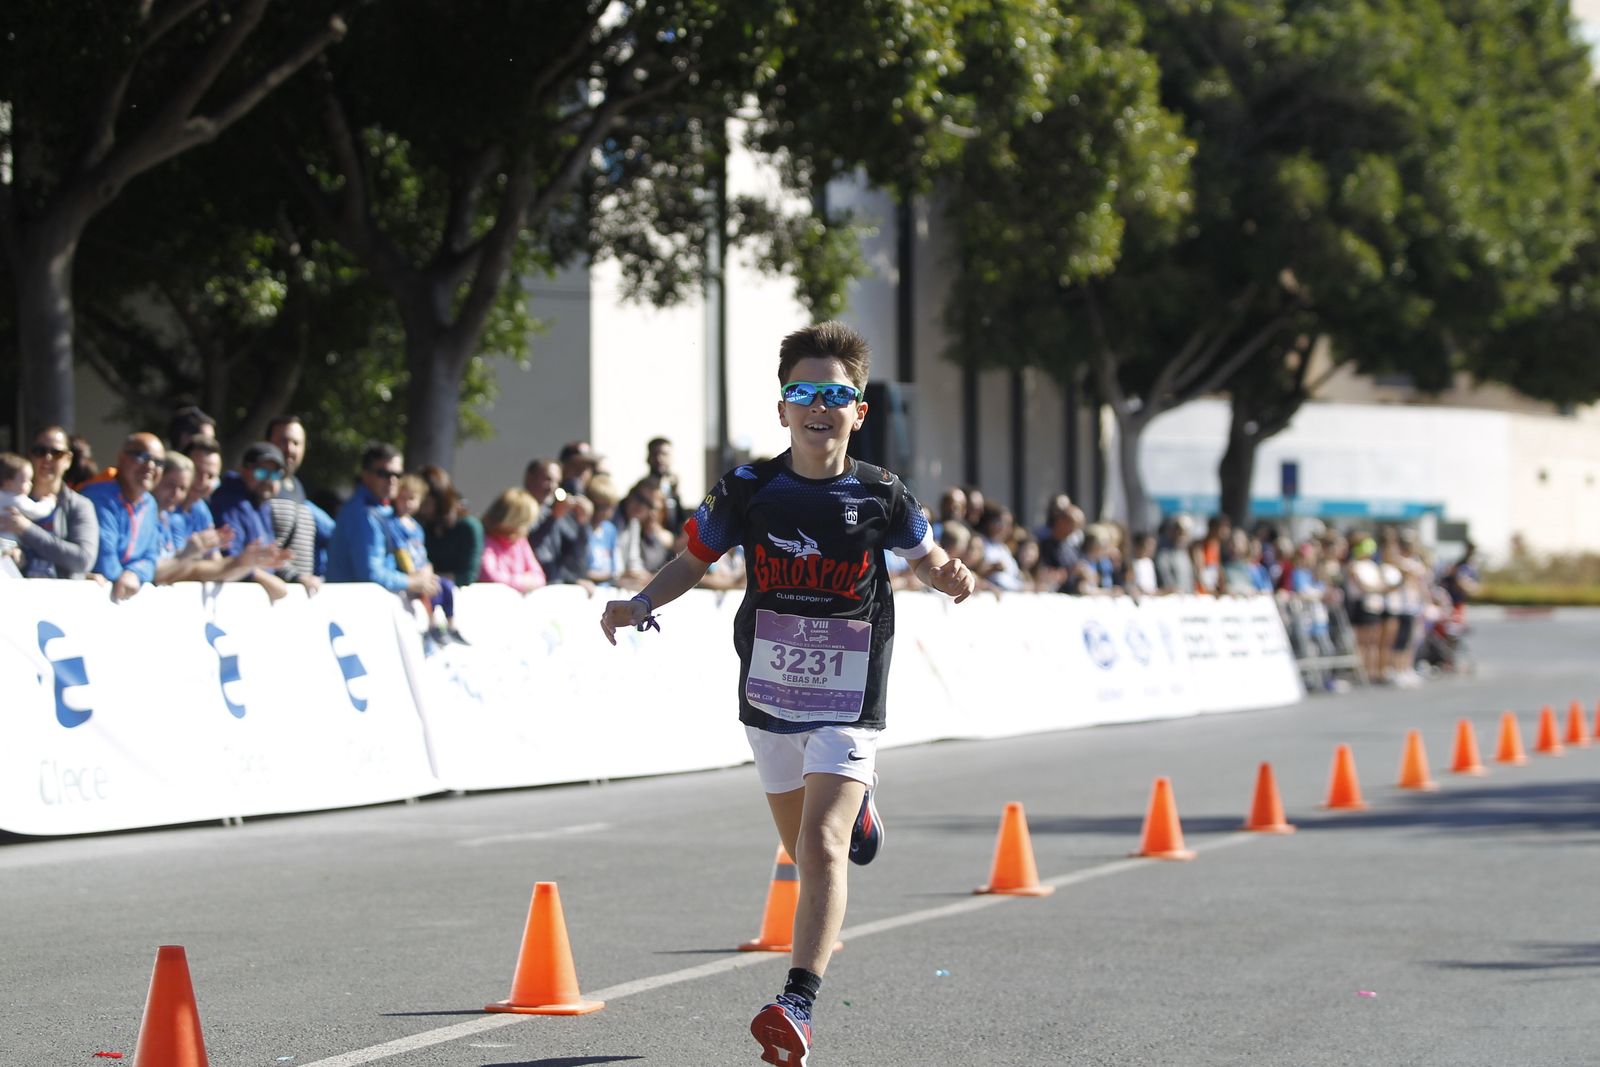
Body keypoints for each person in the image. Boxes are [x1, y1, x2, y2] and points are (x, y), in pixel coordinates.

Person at [599, 321, 974, 1067]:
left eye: (835, 395)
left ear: (858, 411)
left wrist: (949, 575)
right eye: (803, 392)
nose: (818, 406)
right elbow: (693, 559)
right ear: (782, 409)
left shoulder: (880, 492)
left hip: (850, 691)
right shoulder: (749, 488)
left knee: (821, 844)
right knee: (802, 852)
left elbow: (927, 556)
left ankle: (796, 1001)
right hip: (768, 688)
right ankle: (858, 809)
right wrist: (640, 602)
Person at [327, 444, 441, 605]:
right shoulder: (363, 514)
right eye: (384, 474)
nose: (392, 480)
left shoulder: (385, 509)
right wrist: (412, 582)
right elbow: (371, 574)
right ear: (366, 476)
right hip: (352, 607)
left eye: (397, 474)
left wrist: (424, 569)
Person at [209, 442, 305, 600]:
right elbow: (231, 559)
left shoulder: (262, 504)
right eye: (261, 472)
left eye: (274, 474)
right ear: (243, 470)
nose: (268, 480)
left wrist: (295, 577)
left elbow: (267, 559)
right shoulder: (229, 503)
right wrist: (266, 580)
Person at [2, 426, 100, 579]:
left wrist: (27, 529)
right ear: (31, 456)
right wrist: (11, 553)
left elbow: (83, 560)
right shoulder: (9, 499)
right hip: (18, 591)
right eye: (40, 451)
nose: (47, 458)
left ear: (68, 460)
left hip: (61, 593)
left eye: (56, 453)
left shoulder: (79, 506)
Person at [81, 433, 166, 600]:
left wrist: (135, 573)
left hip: (121, 597)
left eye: (159, 462)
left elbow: (151, 558)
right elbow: (104, 559)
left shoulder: (150, 503)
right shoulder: (97, 496)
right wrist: (122, 577)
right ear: (121, 458)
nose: (150, 466)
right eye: (142, 456)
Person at [391, 473, 467, 642]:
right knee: (426, 592)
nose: (407, 503)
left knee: (446, 586)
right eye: (403, 498)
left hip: (422, 570)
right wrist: (414, 575)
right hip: (411, 573)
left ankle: (451, 624)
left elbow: (422, 553)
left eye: (412, 499)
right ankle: (432, 625)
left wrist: (427, 569)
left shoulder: (417, 527)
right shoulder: (394, 524)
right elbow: (401, 552)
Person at [524, 456, 589, 583]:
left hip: (553, 584)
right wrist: (553, 518)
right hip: (530, 583)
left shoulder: (556, 512)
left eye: (557, 482)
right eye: (548, 479)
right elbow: (528, 546)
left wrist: (582, 522)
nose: (552, 487)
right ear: (529, 478)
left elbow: (574, 553)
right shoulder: (518, 509)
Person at [417, 464, 483, 585]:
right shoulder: (420, 525)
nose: (419, 506)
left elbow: (467, 576)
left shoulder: (468, 527)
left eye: (425, 501)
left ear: (439, 499)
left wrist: (427, 580)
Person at [479, 488, 546, 593]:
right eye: (524, 522)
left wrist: (514, 581)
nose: (526, 528)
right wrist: (523, 582)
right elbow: (488, 576)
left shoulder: (520, 541)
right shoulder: (485, 540)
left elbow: (539, 576)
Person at [0, 451, 56, 564]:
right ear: (9, 483)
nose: (31, 484)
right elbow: (36, 511)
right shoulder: (17, 499)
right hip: (8, 544)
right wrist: (49, 502)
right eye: (26, 481)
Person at [641, 436, 686, 533]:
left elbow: (679, 521)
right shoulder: (641, 490)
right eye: (655, 454)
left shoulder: (671, 487)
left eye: (664, 454)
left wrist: (676, 494)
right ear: (648, 458)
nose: (659, 459)